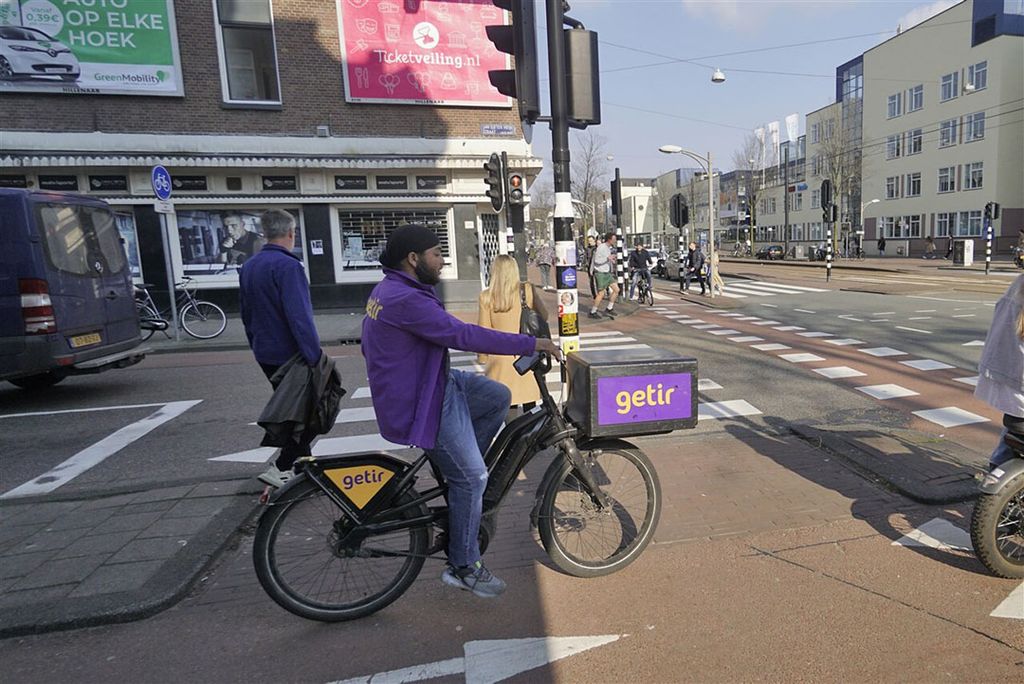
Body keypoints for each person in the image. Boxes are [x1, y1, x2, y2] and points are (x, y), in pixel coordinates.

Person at [361, 224, 561, 598]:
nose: (442, 261)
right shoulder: (407, 300)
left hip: (433, 381)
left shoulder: (392, 288)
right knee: (472, 478)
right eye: (437, 254)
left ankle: (464, 475)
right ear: (413, 259)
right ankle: (464, 565)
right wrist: (532, 342)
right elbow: (463, 336)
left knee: (497, 397)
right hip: (422, 399)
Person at [239, 209, 323, 488]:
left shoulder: (250, 266)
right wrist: (314, 357)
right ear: (291, 233)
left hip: (266, 352)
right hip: (292, 355)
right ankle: (283, 465)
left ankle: (305, 473)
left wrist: (256, 345)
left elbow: (247, 313)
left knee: (294, 412)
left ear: (265, 233)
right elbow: (299, 317)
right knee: (313, 413)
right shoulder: (288, 267)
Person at [477, 254, 547, 410]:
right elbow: (544, 316)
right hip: (526, 356)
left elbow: (483, 330)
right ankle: (530, 434)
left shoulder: (486, 297)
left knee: (508, 406)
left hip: (499, 359)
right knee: (531, 406)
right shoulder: (526, 290)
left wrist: (482, 357)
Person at [975, 275, 1024, 470]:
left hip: (1006, 382)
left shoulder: (1018, 285)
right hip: (1017, 385)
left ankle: (997, 465)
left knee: (1017, 416)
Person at [588, 231, 619, 318]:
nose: (615, 241)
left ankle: (609, 308)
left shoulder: (608, 248)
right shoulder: (601, 247)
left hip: (607, 273)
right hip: (600, 273)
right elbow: (597, 261)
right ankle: (593, 311)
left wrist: (611, 260)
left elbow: (606, 259)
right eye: (614, 239)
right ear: (609, 240)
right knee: (601, 294)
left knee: (616, 290)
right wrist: (607, 258)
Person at [583, 235, 598, 299]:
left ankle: (604, 291)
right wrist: (585, 264)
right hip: (590, 266)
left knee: (599, 280)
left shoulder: (597, 247)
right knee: (591, 280)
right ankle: (594, 294)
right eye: (589, 241)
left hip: (597, 266)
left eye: (591, 241)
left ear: (594, 240)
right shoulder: (587, 249)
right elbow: (585, 257)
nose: (590, 242)